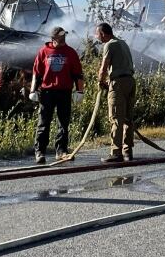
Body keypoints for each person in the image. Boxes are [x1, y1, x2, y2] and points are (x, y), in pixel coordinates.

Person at [30, 26, 84, 164]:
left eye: (64, 36)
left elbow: (78, 74)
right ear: (53, 38)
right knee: (43, 123)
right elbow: (37, 73)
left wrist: (79, 91)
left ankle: (61, 151)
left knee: (63, 123)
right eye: (60, 37)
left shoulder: (70, 52)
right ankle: (40, 152)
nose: (63, 39)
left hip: (64, 92)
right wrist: (33, 90)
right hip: (47, 92)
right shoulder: (44, 52)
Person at [96, 22, 136, 162]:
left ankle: (116, 152)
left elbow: (104, 66)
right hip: (130, 81)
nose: (97, 37)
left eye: (98, 34)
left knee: (116, 118)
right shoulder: (123, 43)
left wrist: (100, 81)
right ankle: (127, 151)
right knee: (127, 118)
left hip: (118, 83)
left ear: (102, 34)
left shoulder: (109, 45)